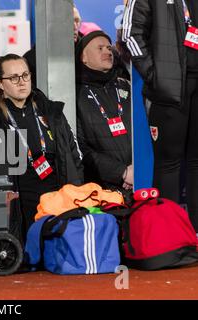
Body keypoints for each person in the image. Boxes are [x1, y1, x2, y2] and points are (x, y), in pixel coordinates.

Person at [0, 54, 83, 241]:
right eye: (13, 78)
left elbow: (75, 157)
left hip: (58, 203)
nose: (21, 82)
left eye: (25, 75)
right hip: (17, 212)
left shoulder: (52, 113)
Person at [123, 0, 198, 231]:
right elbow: (130, 34)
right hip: (168, 90)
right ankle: (170, 234)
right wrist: (155, 77)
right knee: (168, 164)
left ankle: (194, 232)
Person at [75, 30, 133, 192]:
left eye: (109, 47)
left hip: (139, 179)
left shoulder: (127, 86)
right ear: (83, 57)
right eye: (100, 48)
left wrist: (137, 168)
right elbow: (80, 148)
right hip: (100, 189)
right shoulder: (75, 95)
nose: (107, 51)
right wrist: (121, 172)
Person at [23, 4, 83, 88]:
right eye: (68, 21)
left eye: (77, 21)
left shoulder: (88, 50)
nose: (74, 27)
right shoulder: (32, 59)